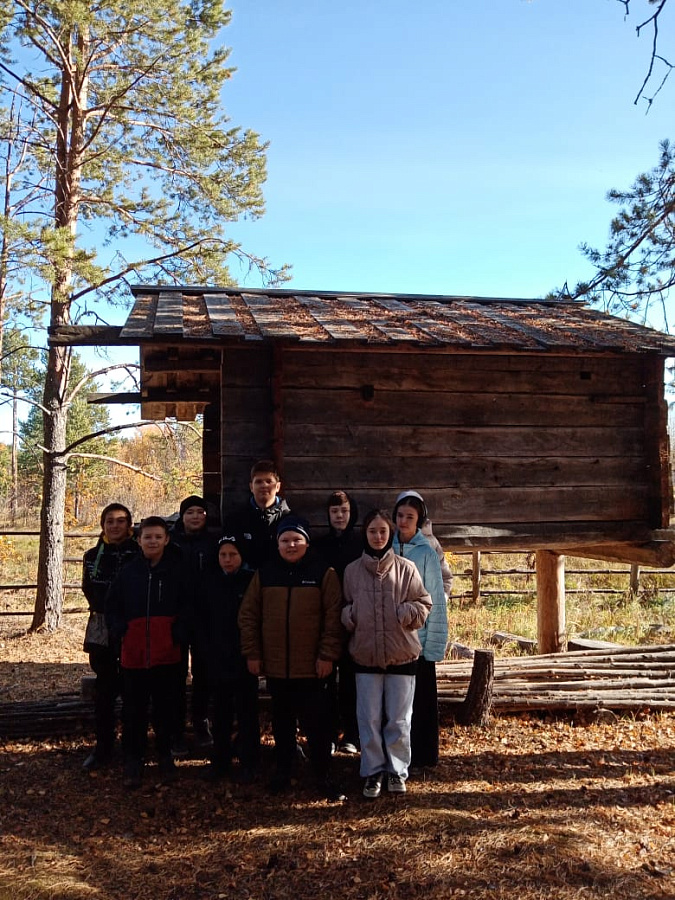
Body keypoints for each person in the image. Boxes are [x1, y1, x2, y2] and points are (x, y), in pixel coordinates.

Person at [238, 515, 346, 801]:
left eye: (297, 539)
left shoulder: (324, 573)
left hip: (313, 668)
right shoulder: (265, 573)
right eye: (285, 540)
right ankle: (282, 773)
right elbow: (248, 615)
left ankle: (323, 775)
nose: (291, 544)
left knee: (318, 726)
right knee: (282, 725)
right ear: (277, 543)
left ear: (307, 543)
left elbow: (333, 619)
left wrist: (327, 656)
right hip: (276, 667)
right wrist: (253, 653)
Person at [342, 510, 431, 798]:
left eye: (382, 531)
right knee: (368, 718)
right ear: (365, 534)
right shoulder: (352, 571)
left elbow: (424, 604)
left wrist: (405, 613)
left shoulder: (406, 569)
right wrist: (350, 616)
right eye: (372, 531)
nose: (378, 536)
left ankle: (396, 770)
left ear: (389, 533)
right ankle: (372, 771)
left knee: (398, 719)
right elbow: (344, 605)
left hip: (401, 654)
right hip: (365, 655)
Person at [106, 516, 191, 790]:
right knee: (134, 710)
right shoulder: (128, 573)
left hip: (168, 654)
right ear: (139, 540)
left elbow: (190, 607)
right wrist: (121, 630)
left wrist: (178, 633)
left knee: (167, 707)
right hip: (134, 654)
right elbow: (112, 606)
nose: (152, 541)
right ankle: (134, 758)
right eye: (147, 537)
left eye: (157, 537)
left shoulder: (178, 572)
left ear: (166, 539)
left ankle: (165, 756)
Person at [392, 490, 448, 774]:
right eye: (400, 516)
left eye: (410, 517)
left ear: (419, 520)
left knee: (422, 698)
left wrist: (434, 643)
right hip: (393, 639)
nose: (404, 521)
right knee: (398, 702)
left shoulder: (426, 552)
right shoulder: (385, 547)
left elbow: (435, 597)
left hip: (420, 637)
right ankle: (398, 754)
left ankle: (424, 754)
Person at [81, 503, 140, 771]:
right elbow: (88, 588)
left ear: (129, 525)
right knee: (104, 689)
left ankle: (132, 747)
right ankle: (103, 746)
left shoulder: (138, 553)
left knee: (133, 689)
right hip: (102, 626)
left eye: (120, 521)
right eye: (109, 521)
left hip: (132, 626)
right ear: (103, 525)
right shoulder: (92, 555)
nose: (115, 526)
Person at [197, 534, 259, 782]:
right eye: (223, 555)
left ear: (241, 557)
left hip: (244, 657)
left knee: (247, 713)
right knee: (220, 713)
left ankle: (249, 762)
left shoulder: (250, 581)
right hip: (217, 657)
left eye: (233, 554)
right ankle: (220, 761)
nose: (227, 559)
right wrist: (205, 651)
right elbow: (200, 619)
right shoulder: (208, 582)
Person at [314, 489, 362, 754]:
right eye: (334, 512)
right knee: (325, 682)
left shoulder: (360, 544)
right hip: (328, 621)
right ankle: (329, 733)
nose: (339, 516)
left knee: (352, 681)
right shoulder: (320, 546)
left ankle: (352, 733)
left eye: (343, 511)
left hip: (355, 620)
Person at [169, 494, 217, 755]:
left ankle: (200, 722)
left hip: (205, 617)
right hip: (176, 616)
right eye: (190, 512)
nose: (196, 516)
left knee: (203, 674)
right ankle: (175, 730)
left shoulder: (212, 542)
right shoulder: (171, 543)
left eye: (200, 511)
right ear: (182, 516)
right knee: (175, 675)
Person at [222, 460, 290, 570]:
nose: (264, 485)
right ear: (251, 487)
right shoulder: (235, 520)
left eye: (269, 481)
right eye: (258, 482)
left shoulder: (290, 520)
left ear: (277, 487)